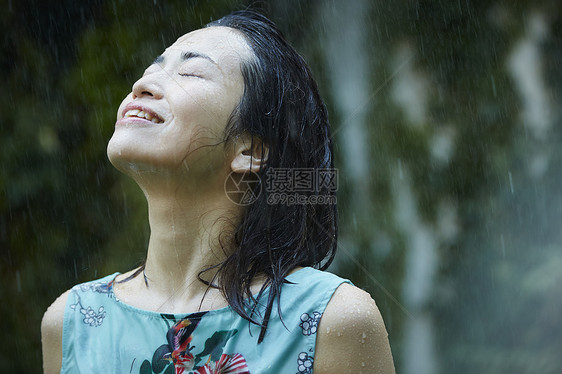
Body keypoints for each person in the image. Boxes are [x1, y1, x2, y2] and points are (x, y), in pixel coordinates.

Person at [41, 10, 395, 374]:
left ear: (249, 151)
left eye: (191, 72)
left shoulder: (331, 321)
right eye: (152, 69)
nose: (143, 85)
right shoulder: (72, 324)